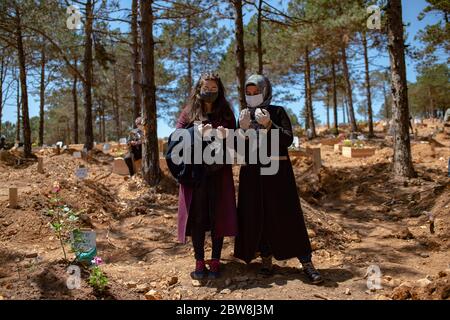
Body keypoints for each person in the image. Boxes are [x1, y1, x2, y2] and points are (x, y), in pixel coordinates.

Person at [234, 74, 323, 284]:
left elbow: (287, 139)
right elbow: (237, 149)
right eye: (249, 92)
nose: (253, 96)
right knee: (259, 216)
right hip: (252, 173)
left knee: (289, 215)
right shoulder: (244, 115)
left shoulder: (277, 111)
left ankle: (306, 262)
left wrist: (269, 125)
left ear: (266, 91)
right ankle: (266, 260)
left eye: (256, 92)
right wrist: (242, 130)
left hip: (278, 172)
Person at [175, 72, 238, 279]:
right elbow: (176, 137)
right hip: (196, 173)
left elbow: (236, 142)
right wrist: (196, 133)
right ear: (198, 89)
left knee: (218, 215)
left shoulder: (227, 112)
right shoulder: (188, 112)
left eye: (213, 89)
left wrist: (225, 135)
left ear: (219, 90)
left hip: (219, 172)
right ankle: (199, 261)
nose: (209, 92)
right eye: (206, 88)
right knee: (198, 217)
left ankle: (216, 260)